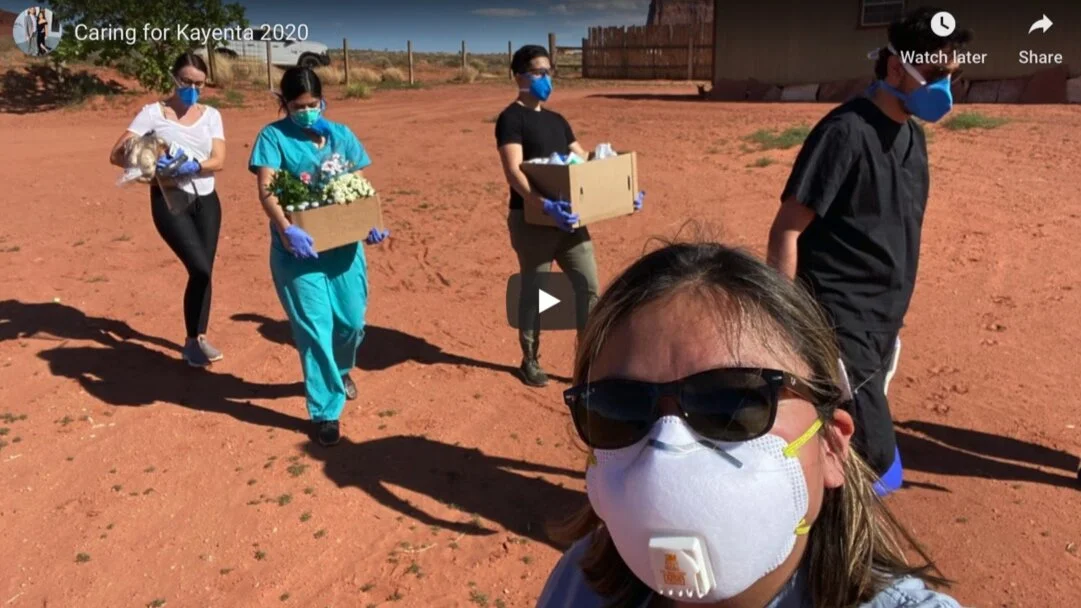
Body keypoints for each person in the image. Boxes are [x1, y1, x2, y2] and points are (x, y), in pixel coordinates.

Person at [539, 241, 958, 608]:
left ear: (832, 445)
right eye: (619, 407)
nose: (666, 450)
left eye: (732, 404)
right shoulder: (578, 586)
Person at [766, 7, 972, 490]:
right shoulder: (845, 133)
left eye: (953, 76)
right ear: (896, 67)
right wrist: (781, 321)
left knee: (850, 448)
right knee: (874, 460)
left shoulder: (912, 137)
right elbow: (787, 229)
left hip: (883, 322)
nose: (946, 88)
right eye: (935, 75)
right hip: (840, 320)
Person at [248, 67, 388, 447]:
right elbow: (267, 189)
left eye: (313, 104)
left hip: (343, 248)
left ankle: (340, 369)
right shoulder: (273, 137)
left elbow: (360, 184)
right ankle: (326, 410)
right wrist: (285, 228)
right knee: (314, 328)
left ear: (323, 101)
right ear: (285, 104)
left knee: (351, 324)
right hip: (298, 252)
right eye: (298, 106)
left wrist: (370, 222)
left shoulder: (341, 135)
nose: (307, 111)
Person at [495, 44, 644, 387]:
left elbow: (586, 161)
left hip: (571, 220)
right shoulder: (511, 119)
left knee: (588, 286)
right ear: (519, 76)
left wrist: (622, 190)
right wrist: (543, 204)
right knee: (536, 291)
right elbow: (514, 170)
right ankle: (530, 359)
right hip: (533, 221)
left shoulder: (557, 121)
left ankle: (589, 363)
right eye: (539, 72)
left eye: (549, 72)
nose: (546, 78)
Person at [109, 52, 227, 367]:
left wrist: (194, 165)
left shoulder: (211, 115)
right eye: (187, 81)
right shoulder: (152, 114)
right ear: (174, 78)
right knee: (199, 267)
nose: (193, 89)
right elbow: (116, 154)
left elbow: (219, 160)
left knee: (205, 271)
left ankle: (197, 339)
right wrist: (151, 167)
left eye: (199, 84)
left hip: (207, 199)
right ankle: (193, 342)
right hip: (170, 200)